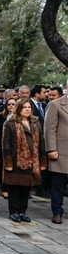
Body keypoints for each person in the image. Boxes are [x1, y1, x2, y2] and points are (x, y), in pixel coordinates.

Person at [1, 99, 46, 223]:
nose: (27, 109)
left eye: (29, 107)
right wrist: (8, 162)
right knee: (15, 187)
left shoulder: (36, 123)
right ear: (18, 108)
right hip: (16, 160)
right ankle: (14, 211)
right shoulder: (10, 123)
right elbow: (6, 144)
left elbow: (41, 142)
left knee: (26, 187)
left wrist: (42, 160)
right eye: (24, 107)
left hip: (32, 160)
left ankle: (22, 211)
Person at [44, 93, 68, 224]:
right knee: (58, 184)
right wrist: (51, 149)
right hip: (61, 151)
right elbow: (49, 129)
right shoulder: (55, 104)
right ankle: (57, 212)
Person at [0, 98, 17, 199]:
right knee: (4, 167)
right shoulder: (1, 117)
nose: (11, 106)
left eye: (13, 104)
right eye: (9, 104)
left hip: (17, 146)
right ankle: (5, 189)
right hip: (4, 145)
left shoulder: (21, 117)